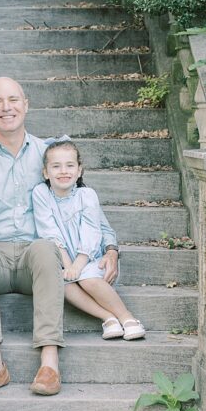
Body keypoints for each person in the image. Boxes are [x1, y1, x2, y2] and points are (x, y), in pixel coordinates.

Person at [0, 77, 119, 396]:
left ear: (26, 105)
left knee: (45, 247)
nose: (6, 108)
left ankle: (49, 364)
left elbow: (87, 206)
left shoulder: (50, 154)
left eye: (13, 99)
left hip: (37, 259)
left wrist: (110, 247)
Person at [32, 139, 145, 341]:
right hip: (63, 259)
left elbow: (92, 233)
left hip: (91, 258)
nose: (63, 171)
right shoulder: (41, 194)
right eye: (56, 166)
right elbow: (49, 232)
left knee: (87, 278)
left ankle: (127, 317)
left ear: (80, 170)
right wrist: (68, 266)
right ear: (46, 173)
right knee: (61, 282)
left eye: (70, 165)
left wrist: (78, 265)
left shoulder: (87, 195)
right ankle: (107, 317)